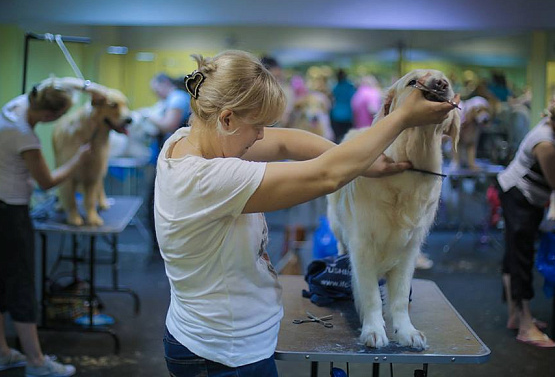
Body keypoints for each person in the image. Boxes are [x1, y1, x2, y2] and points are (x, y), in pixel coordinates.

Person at [153, 50, 456, 376]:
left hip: (218, 342)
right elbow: (327, 176)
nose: (260, 137)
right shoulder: (205, 180)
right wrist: (401, 118)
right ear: (226, 119)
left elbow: (288, 143)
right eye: (257, 126)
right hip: (224, 356)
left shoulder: (186, 138)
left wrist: (369, 162)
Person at [0, 77, 107, 376]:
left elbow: (57, 82)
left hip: (2, 203)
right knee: (22, 284)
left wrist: (89, 87)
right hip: (11, 214)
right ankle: (35, 362)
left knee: (1, 283)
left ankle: (3, 352)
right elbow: (47, 183)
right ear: (51, 116)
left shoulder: (21, 103)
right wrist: (78, 159)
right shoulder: (24, 136)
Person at [496, 100, 555, 348]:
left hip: (522, 195)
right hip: (518, 195)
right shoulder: (545, 143)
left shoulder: (550, 129)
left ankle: (515, 316)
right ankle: (525, 326)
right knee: (521, 256)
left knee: (514, 255)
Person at [145, 73, 191, 246]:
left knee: (159, 201)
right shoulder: (171, 100)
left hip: (174, 160)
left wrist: (148, 116)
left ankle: (163, 243)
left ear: (163, 83)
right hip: (168, 156)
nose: (155, 93)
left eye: (155, 89)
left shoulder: (177, 98)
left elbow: (169, 125)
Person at [330, 69, 356, 141]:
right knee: (347, 138)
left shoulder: (335, 87)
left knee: (338, 138)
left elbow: (332, 99)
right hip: (348, 115)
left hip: (336, 114)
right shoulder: (350, 86)